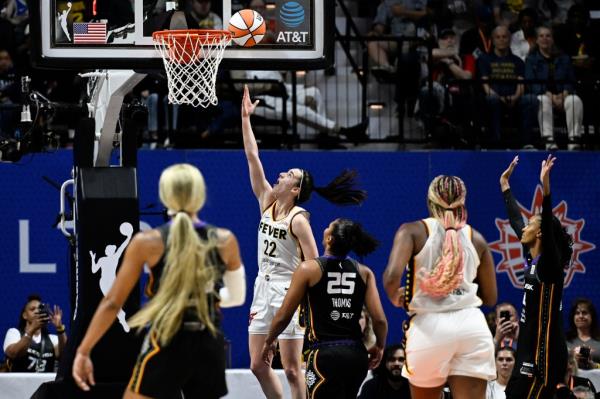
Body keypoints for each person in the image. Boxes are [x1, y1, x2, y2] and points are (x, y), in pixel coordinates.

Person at [72, 163, 246, 398]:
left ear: (165, 197)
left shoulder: (148, 242)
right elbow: (236, 298)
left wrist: (83, 351)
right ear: (200, 195)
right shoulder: (225, 240)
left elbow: (112, 302)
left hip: (167, 338)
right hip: (208, 341)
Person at [241, 85, 368, 399]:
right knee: (257, 364)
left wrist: (314, 308)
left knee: (292, 368)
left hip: (288, 290)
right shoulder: (268, 200)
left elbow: (316, 266)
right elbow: (252, 156)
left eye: (289, 174)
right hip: (263, 287)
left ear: (295, 189)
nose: (281, 173)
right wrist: (246, 119)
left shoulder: (298, 219)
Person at [383, 175, 498, 399]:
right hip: (472, 326)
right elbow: (491, 297)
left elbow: (391, 278)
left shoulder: (413, 231)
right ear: (462, 204)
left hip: (429, 326)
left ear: (429, 201)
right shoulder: (478, 239)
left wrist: (397, 297)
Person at [261, 218, 388, 399]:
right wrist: (380, 346)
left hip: (325, 355)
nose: (325, 227)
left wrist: (269, 340)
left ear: (329, 239)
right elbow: (380, 320)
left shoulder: (308, 269)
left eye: (328, 226)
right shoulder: (364, 272)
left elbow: (284, 314)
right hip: (356, 355)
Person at [499, 155, 573, 399]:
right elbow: (515, 220)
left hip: (545, 353)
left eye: (531, 223)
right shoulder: (531, 258)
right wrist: (505, 187)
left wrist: (546, 188)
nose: (524, 227)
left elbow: (549, 235)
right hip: (528, 350)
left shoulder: (549, 267)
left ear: (540, 233)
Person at [524, 26, 583, 150]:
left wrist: (564, 94)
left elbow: (571, 80)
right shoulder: (531, 60)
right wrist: (549, 95)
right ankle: (548, 140)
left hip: (563, 95)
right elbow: (531, 83)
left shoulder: (564, 58)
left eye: (548, 36)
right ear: (536, 40)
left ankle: (574, 140)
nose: (545, 39)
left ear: (552, 39)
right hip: (544, 95)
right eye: (541, 36)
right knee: (543, 100)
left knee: (575, 100)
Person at [477, 25, 529, 147]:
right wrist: (499, 98)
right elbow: (485, 85)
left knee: (530, 100)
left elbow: (521, 84)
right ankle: (496, 141)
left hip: (514, 98)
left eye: (504, 37)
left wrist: (515, 97)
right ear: (493, 40)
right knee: (492, 99)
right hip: (494, 97)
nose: (501, 40)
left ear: (510, 39)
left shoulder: (518, 61)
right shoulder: (484, 59)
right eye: (498, 37)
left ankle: (526, 141)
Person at [3, 294, 67, 372]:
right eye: (32, 309)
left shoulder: (52, 339)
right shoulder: (14, 333)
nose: (37, 311)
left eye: (39, 309)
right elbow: (13, 354)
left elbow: (65, 354)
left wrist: (60, 328)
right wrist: (32, 329)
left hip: (45, 383)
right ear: (25, 315)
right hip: (19, 383)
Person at [566, 298, 600, 369]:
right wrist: (572, 359)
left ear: (592, 316)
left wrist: (594, 366)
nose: (581, 316)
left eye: (584, 313)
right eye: (577, 313)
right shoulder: (565, 340)